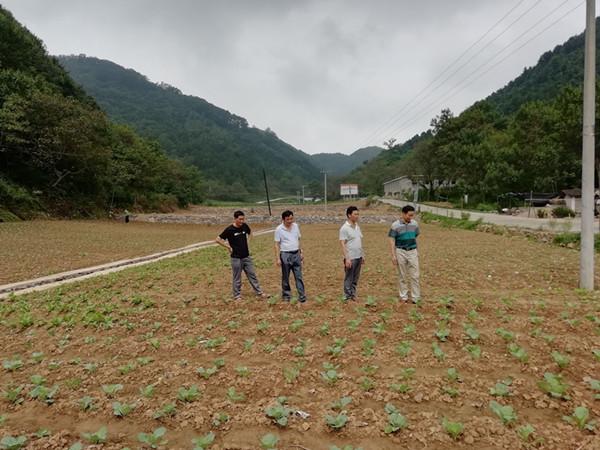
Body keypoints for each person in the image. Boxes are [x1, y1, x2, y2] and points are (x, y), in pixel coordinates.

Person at [216, 210, 270, 301]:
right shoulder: (229, 229)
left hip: (246, 257)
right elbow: (218, 239)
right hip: (236, 258)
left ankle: (259, 292)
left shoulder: (244, 226)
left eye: (243, 219)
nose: (242, 221)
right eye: (240, 219)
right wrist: (228, 247)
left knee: (252, 275)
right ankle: (237, 296)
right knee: (237, 277)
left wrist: (247, 242)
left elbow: (250, 233)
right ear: (235, 219)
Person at [388, 205, 420, 303]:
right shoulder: (395, 225)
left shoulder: (414, 224)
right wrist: (393, 255)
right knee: (402, 275)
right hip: (400, 251)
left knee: (415, 275)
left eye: (412, 215)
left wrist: (417, 251)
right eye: (409, 215)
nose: (411, 217)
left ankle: (416, 297)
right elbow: (392, 239)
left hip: (412, 250)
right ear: (403, 213)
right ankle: (404, 297)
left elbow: (416, 237)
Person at [274, 210, 307, 303]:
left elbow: (298, 239)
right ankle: (286, 296)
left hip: (296, 253)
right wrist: (277, 258)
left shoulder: (296, 226)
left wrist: (301, 252)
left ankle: (302, 296)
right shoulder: (279, 229)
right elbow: (276, 244)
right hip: (285, 254)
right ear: (283, 219)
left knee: (299, 276)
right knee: (285, 276)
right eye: (287, 219)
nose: (290, 221)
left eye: (291, 219)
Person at [339, 206, 364, 302]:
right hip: (350, 256)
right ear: (349, 215)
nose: (357, 216)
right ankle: (348, 296)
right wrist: (347, 258)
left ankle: (353, 295)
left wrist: (362, 255)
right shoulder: (344, 228)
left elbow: (359, 241)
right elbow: (342, 243)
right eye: (355, 214)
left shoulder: (357, 227)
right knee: (349, 277)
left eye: (358, 214)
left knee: (355, 278)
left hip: (358, 256)